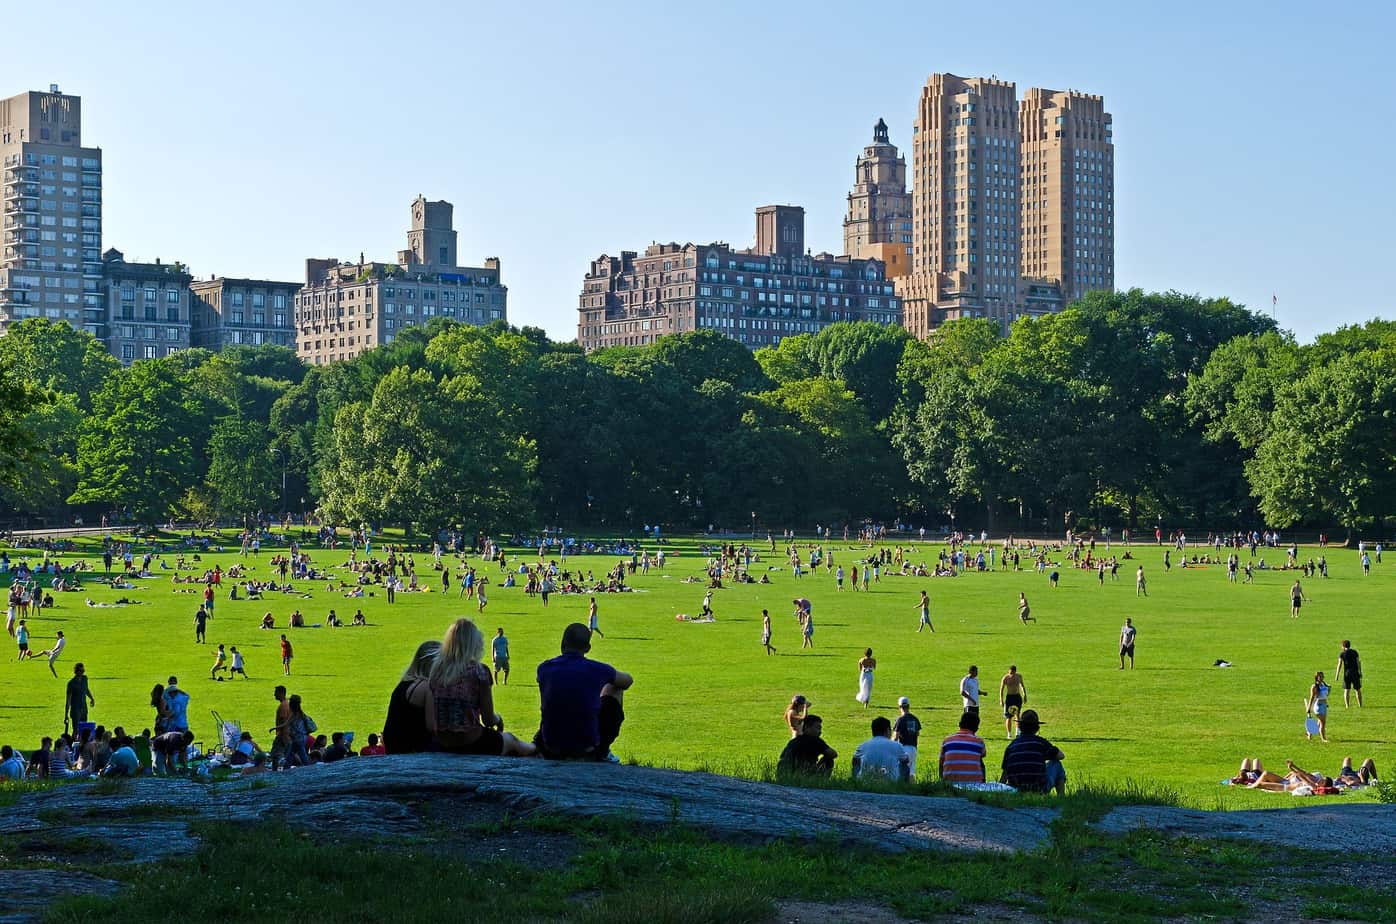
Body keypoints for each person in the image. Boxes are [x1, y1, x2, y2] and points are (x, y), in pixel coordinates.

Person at [408, 618, 535, 756]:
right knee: (512, 741)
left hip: (443, 742)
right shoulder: (479, 671)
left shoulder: (436, 671)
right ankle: (538, 750)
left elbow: (431, 721)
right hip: (471, 741)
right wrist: (498, 719)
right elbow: (488, 720)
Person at [535, 623, 631, 761]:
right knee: (613, 688)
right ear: (588, 648)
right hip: (587, 748)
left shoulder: (544, 668)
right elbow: (627, 681)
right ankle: (603, 751)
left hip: (550, 746)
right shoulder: (598, 669)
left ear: (562, 644)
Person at [383, 641, 438, 756]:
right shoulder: (427, 687)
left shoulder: (404, 683)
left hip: (394, 748)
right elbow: (432, 727)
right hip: (413, 751)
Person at [1000, 709, 1066, 795]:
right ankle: (1061, 799)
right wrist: (1044, 756)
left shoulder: (1011, 746)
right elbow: (1061, 756)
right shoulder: (1041, 743)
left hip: (1016, 790)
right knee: (1057, 764)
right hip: (1038, 789)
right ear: (1037, 728)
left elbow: (1004, 774)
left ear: (1020, 726)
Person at [851, 716, 910, 781]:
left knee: (856, 762)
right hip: (890, 782)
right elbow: (906, 760)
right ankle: (903, 785)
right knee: (904, 764)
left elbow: (854, 761)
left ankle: (855, 781)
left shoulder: (863, 745)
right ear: (887, 730)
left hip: (866, 780)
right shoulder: (896, 745)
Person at [892, 697, 922, 780]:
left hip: (904, 749)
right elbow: (918, 733)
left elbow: (895, 737)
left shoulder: (900, 719)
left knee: (901, 772)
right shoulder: (915, 719)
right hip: (913, 749)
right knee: (911, 773)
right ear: (909, 706)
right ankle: (912, 790)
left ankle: (902, 789)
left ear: (899, 707)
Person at [65, 662, 94, 731]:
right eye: (80, 671)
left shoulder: (85, 679)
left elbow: (86, 689)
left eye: (83, 671)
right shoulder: (71, 683)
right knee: (76, 730)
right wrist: (66, 714)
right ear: (76, 671)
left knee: (84, 729)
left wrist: (92, 698)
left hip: (84, 708)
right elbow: (68, 700)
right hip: (75, 710)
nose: (82, 672)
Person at [999, 666, 1026, 739]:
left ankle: (1018, 732)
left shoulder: (1019, 676)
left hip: (1017, 697)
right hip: (1009, 698)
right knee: (1009, 716)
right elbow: (1001, 689)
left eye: (1012, 673)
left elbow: (1022, 686)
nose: (1011, 674)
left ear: (1015, 671)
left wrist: (1024, 695)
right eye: (1010, 672)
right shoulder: (1005, 678)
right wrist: (1001, 700)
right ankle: (1009, 734)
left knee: (1017, 714)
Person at [1336, 640, 1362, 708]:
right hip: (1355, 673)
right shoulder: (1355, 652)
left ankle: (1347, 706)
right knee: (1358, 690)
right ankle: (1360, 705)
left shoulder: (1342, 654)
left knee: (1347, 690)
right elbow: (1358, 662)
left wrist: (1337, 675)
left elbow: (1339, 665)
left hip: (1347, 674)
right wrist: (1360, 672)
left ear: (1343, 646)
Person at [1306, 671, 1330, 742]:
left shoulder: (1324, 684)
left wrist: (1329, 689)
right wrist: (1309, 708)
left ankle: (1310, 732)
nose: (1322, 678)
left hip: (1324, 705)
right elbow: (1312, 697)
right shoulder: (1314, 686)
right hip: (1318, 706)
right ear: (1317, 678)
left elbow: (1325, 695)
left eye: (1323, 676)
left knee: (1320, 721)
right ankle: (1323, 738)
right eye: (1320, 676)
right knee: (1323, 722)